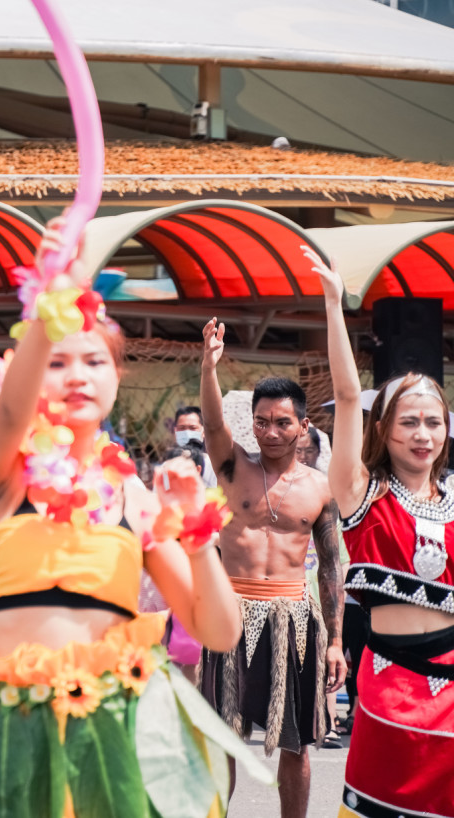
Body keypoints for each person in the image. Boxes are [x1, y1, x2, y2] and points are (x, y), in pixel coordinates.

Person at [0, 218, 254, 815]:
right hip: (10, 734)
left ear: (119, 376)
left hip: (110, 732)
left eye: (95, 362)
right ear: (29, 375)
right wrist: (54, 287)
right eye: (58, 363)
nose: (78, 376)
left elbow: (217, 632)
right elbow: (8, 413)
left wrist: (196, 537)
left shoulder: (134, 498)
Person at [304, 245, 454, 818]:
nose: (422, 434)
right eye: (409, 422)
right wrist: (333, 305)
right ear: (384, 429)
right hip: (391, 685)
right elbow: (346, 396)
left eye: (433, 422)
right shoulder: (362, 494)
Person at [198, 323, 346, 818]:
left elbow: (332, 566)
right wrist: (208, 365)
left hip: (295, 620)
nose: (271, 431)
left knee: (297, 743)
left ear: (303, 426)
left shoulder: (320, 490)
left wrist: (335, 640)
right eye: (262, 421)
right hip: (230, 616)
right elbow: (213, 422)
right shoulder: (232, 467)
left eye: (283, 422)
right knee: (223, 735)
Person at [171, 404, 217, 485]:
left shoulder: (213, 467)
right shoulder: (166, 467)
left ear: (203, 432)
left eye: (193, 428)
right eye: (182, 428)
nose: (187, 433)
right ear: (175, 431)